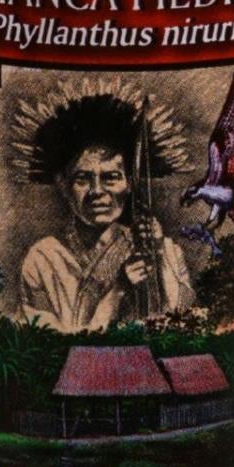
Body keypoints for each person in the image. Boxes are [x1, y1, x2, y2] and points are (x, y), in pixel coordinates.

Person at [17, 93, 193, 331]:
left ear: (129, 183)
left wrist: (159, 254)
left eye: (111, 178)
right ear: (63, 184)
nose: (97, 191)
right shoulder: (43, 259)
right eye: (82, 178)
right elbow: (50, 343)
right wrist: (119, 289)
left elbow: (183, 326)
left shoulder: (166, 251)